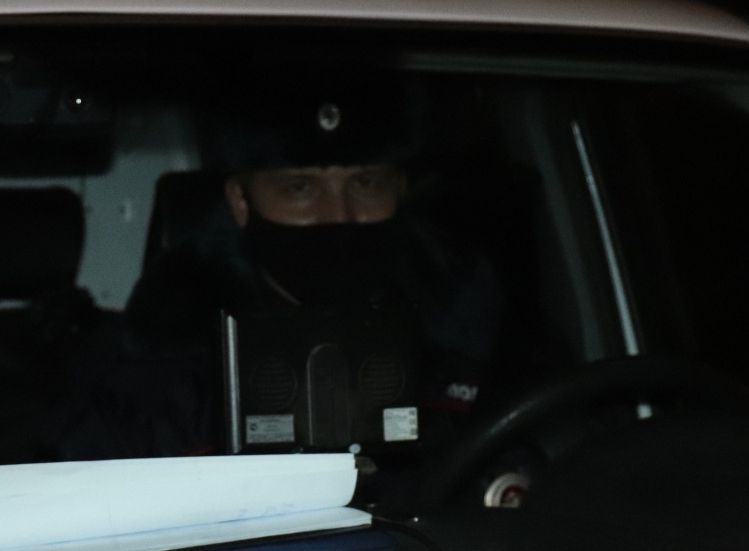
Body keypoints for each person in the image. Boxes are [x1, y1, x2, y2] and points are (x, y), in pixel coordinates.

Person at [52, 75, 500, 462]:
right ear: (240, 202)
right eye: (299, 188)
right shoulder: (152, 380)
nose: (339, 215)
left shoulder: (470, 343)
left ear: (401, 190)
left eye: (366, 183)